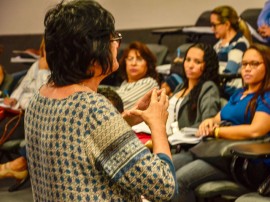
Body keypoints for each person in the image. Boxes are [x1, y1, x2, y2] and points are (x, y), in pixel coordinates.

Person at [24, 1, 177, 201]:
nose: (116, 44)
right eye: (112, 38)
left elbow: (79, 141)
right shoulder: (92, 108)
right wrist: (157, 125)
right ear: (93, 52)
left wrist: (122, 120)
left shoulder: (39, 97)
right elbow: (163, 186)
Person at [172, 43, 270, 202]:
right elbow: (217, 118)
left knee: (179, 181)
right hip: (214, 150)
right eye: (244, 64)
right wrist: (209, 122)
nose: (247, 68)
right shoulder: (240, 93)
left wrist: (217, 131)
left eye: (255, 64)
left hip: (241, 160)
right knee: (166, 168)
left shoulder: (266, 97)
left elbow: (255, 130)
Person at [0, 38, 50, 181]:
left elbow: (42, 97)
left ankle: (18, 165)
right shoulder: (35, 65)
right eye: (45, 49)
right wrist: (13, 98)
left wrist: (43, 70)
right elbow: (23, 86)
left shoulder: (55, 71)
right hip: (16, 110)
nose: (46, 53)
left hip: (27, 116)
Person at [166, 43, 221, 136]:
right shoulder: (181, 86)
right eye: (187, 60)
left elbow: (207, 122)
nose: (190, 65)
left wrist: (179, 134)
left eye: (197, 62)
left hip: (178, 141)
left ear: (208, 65)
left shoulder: (208, 88)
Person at [210, 5, 252, 97]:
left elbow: (228, 75)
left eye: (214, 25)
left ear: (227, 24)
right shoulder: (218, 44)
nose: (212, 29)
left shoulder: (240, 44)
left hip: (231, 92)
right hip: (217, 87)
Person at [116, 41, 159, 110]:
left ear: (148, 64)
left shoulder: (149, 83)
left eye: (139, 59)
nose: (133, 63)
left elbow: (119, 105)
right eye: (130, 59)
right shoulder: (124, 84)